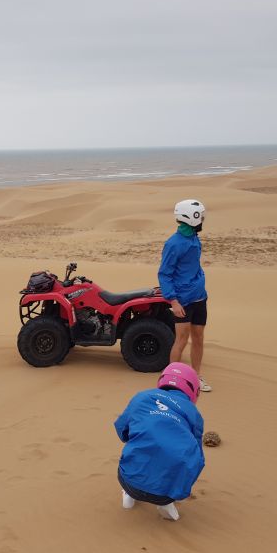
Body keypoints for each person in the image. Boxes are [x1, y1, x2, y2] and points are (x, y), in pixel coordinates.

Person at [113, 362, 205, 521]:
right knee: (185, 457)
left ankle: (129, 494)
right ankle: (166, 502)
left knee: (137, 447)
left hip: (128, 480)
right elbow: (197, 457)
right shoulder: (194, 414)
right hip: (167, 494)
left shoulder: (142, 397)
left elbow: (122, 430)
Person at [158, 198, 212, 392]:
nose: (202, 221)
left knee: (198, 337)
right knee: (181, 339)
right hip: (182, 300)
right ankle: (171, 379)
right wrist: (173, 301)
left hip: (199, 297)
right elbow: (164, 273)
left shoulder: (194, 238)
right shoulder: (174, 244)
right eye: (200, 218)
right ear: (191, 218)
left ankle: (196, 377)